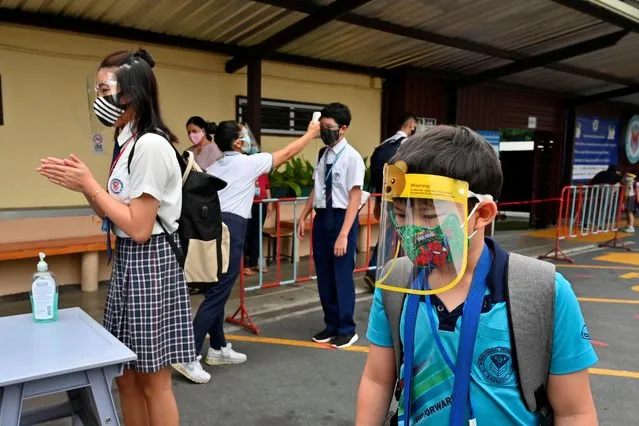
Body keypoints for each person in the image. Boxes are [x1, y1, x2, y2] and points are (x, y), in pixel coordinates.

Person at [356, 125, 598, 425]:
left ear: (482, 214)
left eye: (429, 214)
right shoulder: (396, 282)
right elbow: (378, 380)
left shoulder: (543, 291)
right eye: (401, 213)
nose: (412, 229)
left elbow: (575, 412)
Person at [38, 49, 195, 426]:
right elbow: (116, 212)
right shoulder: (127, 141)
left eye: (104, 88)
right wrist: (87, 188)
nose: (98, 98)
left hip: (150, 264)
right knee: (124, 376)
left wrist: (90, 184)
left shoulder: (151, 146)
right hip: (130, 264)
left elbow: (140, 228)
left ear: (131, 93)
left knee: (154, 380)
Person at [173, 119, 320, 383]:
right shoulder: (248, 163)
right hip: (231, 229)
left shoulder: (214, 165)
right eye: (244, 135)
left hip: (211, 230)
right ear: (237, 142)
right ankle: (187, 354)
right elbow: (287, 153)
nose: (248, 138)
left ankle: (217, 347)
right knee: (218, 293)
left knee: (215, 288)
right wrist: (310, 134)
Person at [297, 103, 366, 349]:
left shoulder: (352, 158)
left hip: (341, 218)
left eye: (329, 128)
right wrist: (304, 214)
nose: (324, 132)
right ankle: (331, 324)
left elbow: (355, 198)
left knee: (341, 276)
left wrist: (344, 234)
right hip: (322, 217)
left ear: (343, 129)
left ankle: (347, 328)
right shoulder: (323, 155)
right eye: (322, 127)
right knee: (324, 275)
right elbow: (319, 187)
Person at [364, 113, 417, 290]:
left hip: (385, 197)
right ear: (411, 125)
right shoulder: (408, 145)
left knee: (387, 236)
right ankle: (391, 276)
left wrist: (379, 202)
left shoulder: (384, 145)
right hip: (404, 200)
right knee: (403, 237)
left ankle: (375, 272)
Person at [243, 173, 274, 276]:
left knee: (257, 233)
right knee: (246, 234)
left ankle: (255, 263)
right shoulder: (247, 167)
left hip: (261, 204)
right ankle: (245, 265)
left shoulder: (263, 170)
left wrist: (269, 202)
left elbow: (267, 187)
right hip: (248, 204)